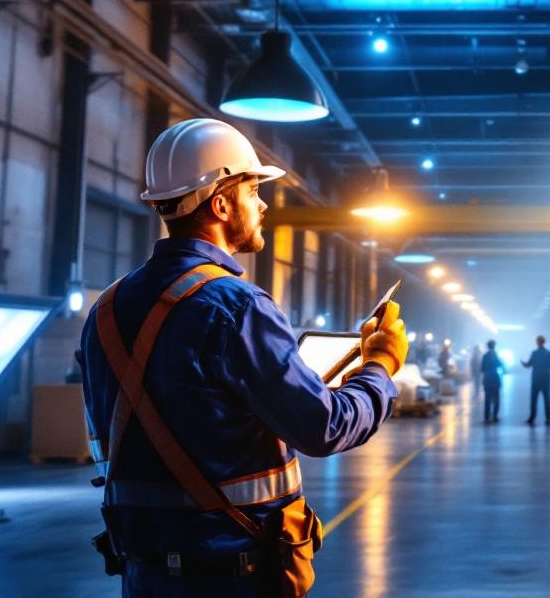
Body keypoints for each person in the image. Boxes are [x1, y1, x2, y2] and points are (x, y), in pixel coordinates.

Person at [79, 118, 408, 597]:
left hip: (142, 577)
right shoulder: (237, 306)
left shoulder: (106, 309)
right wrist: (379, 366)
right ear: (221, 203)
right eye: (253, 191)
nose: (262, 204)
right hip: (234, 577)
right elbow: (324, 427)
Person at [521, 335, 550, 426]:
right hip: (546, 380)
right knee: (547, 399)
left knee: (533, 400)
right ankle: (548, 418)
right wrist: (548, 370)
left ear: (537, 342)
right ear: (544, 342)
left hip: (535, 379)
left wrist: (523, 363)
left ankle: (532, 418)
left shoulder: (534, 353)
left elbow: (528, 365)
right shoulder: (549, 354)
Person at [480, 339, 504, 422]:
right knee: (496, 399)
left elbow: (482, 369)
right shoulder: (495, 355)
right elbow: (500, 365)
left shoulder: (485, 356)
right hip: (494, 379)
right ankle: (495, 416)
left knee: (487, 399)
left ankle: (487, 417)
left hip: (487, 379)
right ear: (494, 346)